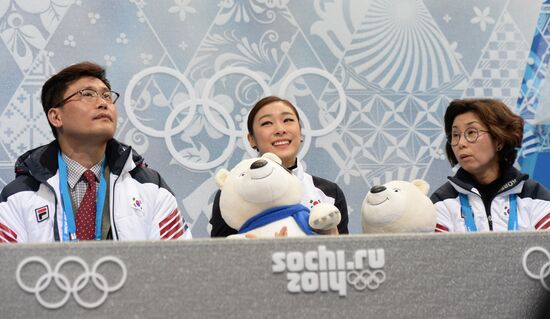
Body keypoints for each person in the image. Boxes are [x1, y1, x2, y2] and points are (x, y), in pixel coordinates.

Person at [0, 61, 191, 243]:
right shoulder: (19, 196)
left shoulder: (150, 187)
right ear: (56, 117)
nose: (103, 103)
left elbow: (177, 264)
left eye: (107, 96)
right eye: (88, 94)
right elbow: (7, 270)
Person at [210, 95, 349, 236]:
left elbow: (346, 253)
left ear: (300, 132)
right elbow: (220, 253)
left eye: (288, 120)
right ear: (251, 139)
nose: (280, 130)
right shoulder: (233, 192)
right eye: (267, 123)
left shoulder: (330, 193)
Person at [430, 98, 550, 232]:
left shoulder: (534, 196)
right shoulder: (442, 202)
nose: (461, 143)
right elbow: (437, 252)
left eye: (471, 132)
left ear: (498, 139)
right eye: (455, 135)